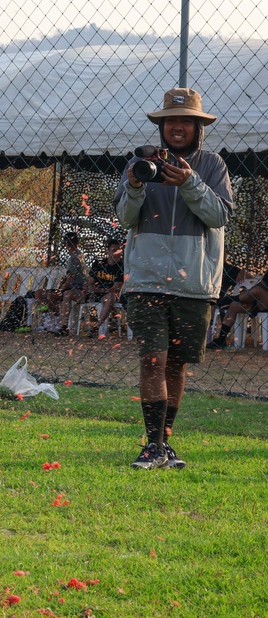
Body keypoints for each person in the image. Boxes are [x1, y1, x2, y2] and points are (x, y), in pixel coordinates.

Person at [114, 87, 233, 469]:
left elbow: (219, 216)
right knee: (152, 359)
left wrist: (189, 182)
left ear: (199, 127)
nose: (178, 127)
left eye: (186, 121)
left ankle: (165, 444)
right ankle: (151, 445)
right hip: (146, 280)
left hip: (194, 284)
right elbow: (125, 219)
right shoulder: (140, 164)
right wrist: (135, 185)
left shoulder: (212, 165)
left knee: (176, 366)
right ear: (161, 126)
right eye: (171, 121)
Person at [33, 231, 88, 336]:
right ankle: (50, 319)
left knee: (46, 295)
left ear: (67, 244)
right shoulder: (80, 255)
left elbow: (69, 279)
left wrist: (60, 289)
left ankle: (51, 321)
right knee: (40, 293)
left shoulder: (74, 258)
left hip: (75, 289)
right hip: (73, 288)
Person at [206, 253, 253, 349]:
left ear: (225, 255)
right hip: (201, 296)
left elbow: (251, 279)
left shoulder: (228, 269)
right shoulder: (206, 266)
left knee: (214, 303)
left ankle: (209, 337)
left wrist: (243, 272)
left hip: (217, 299)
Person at [86, 238, 125, 337]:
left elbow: (116, 288)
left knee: (110, 297)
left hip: (107, 294)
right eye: (114, 250)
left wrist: (99, 289)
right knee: (70, 293)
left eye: (119, 250)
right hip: (94, 293)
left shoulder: (121, 267)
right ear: (108, 252)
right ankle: (63, 326)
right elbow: (89, 281)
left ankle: (96, 327)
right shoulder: (99, 264)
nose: (117, 253)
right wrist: (89, 287)